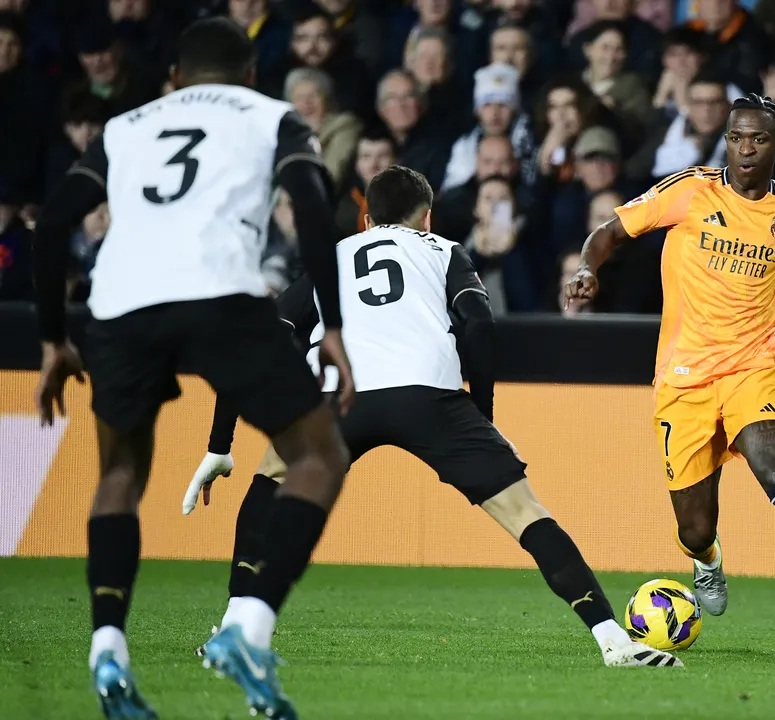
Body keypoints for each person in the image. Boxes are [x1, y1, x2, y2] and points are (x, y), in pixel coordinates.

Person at [184, 165, 682, 671]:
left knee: (267, 486)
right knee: (526, 514)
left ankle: (233, 631)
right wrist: (483, 414)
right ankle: (612, 639)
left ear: (365, 219)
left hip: (340, 398)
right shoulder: (444, 250)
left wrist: (220, 443)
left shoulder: (330, 257)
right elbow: (480, 326)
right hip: (427, 396)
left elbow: (265, 336)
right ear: (427, 216)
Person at [31, 18, 355, 719]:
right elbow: (310, 203)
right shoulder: (272, 117)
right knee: (318, 457)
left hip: (121, 307)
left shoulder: (126, 125)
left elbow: (55, 224)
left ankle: (108, 652)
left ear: (175, 77)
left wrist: (54, 340)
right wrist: (332, 324)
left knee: (119, 475)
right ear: (248, 76)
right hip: (220, 295)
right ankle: (250, 629)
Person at [564, 93, 775, 647]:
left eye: (758, 139)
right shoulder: (690, 191)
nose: (745, 148)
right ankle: (707, 560)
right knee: (694, 527)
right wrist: (586, 267)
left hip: (751, 366)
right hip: (683, 379)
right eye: (736, 137)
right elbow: (612, 230)